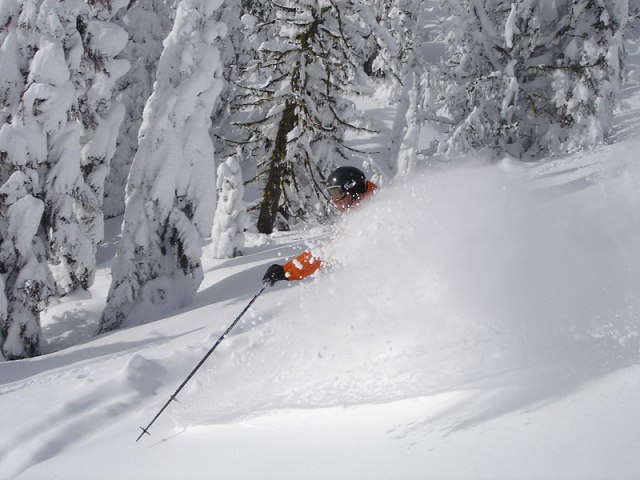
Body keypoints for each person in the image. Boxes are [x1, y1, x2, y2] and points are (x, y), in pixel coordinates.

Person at [262, 166, 377, 286]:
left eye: (336, 193)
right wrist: (286, 270)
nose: (333, 200)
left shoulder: (372, 216)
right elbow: (325, 252)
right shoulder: (358, 216)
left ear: (351, 188)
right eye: (331, 194)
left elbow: (327, 253)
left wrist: (286, 271)